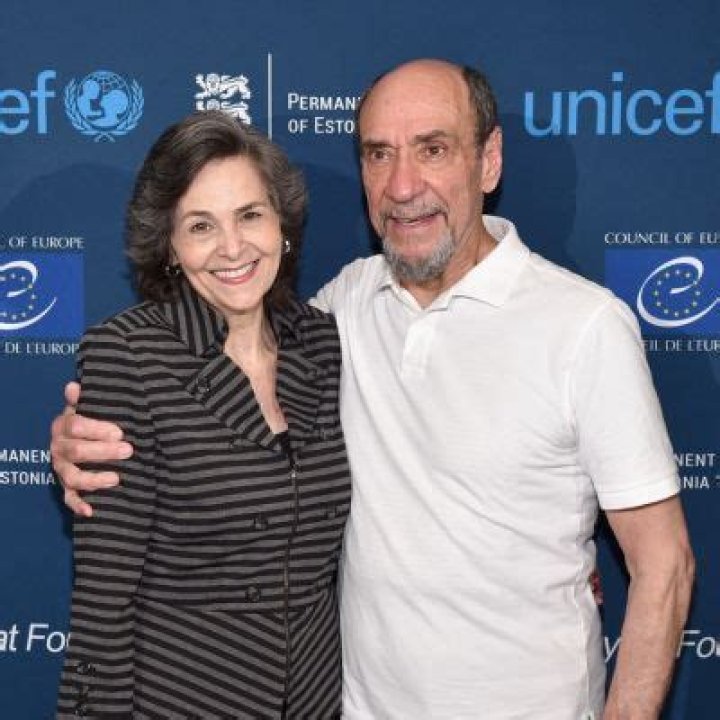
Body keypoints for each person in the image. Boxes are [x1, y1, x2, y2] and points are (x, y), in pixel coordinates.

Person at [52, 60, 694, 719]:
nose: (403, 185)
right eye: (379, 154)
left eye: (433, 149)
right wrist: (76, 440)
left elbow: (665, 566)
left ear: (489, 160)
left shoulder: (585, 326)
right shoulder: (342, 310)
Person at [55, 110, 350, 719]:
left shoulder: (322, 342)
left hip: (315, 701)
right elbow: (103, 601)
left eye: (250, 215)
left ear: (282, 223)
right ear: (169, 245)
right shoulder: (129, 355)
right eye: (200, 226)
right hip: (182, 699)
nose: (233, 247)